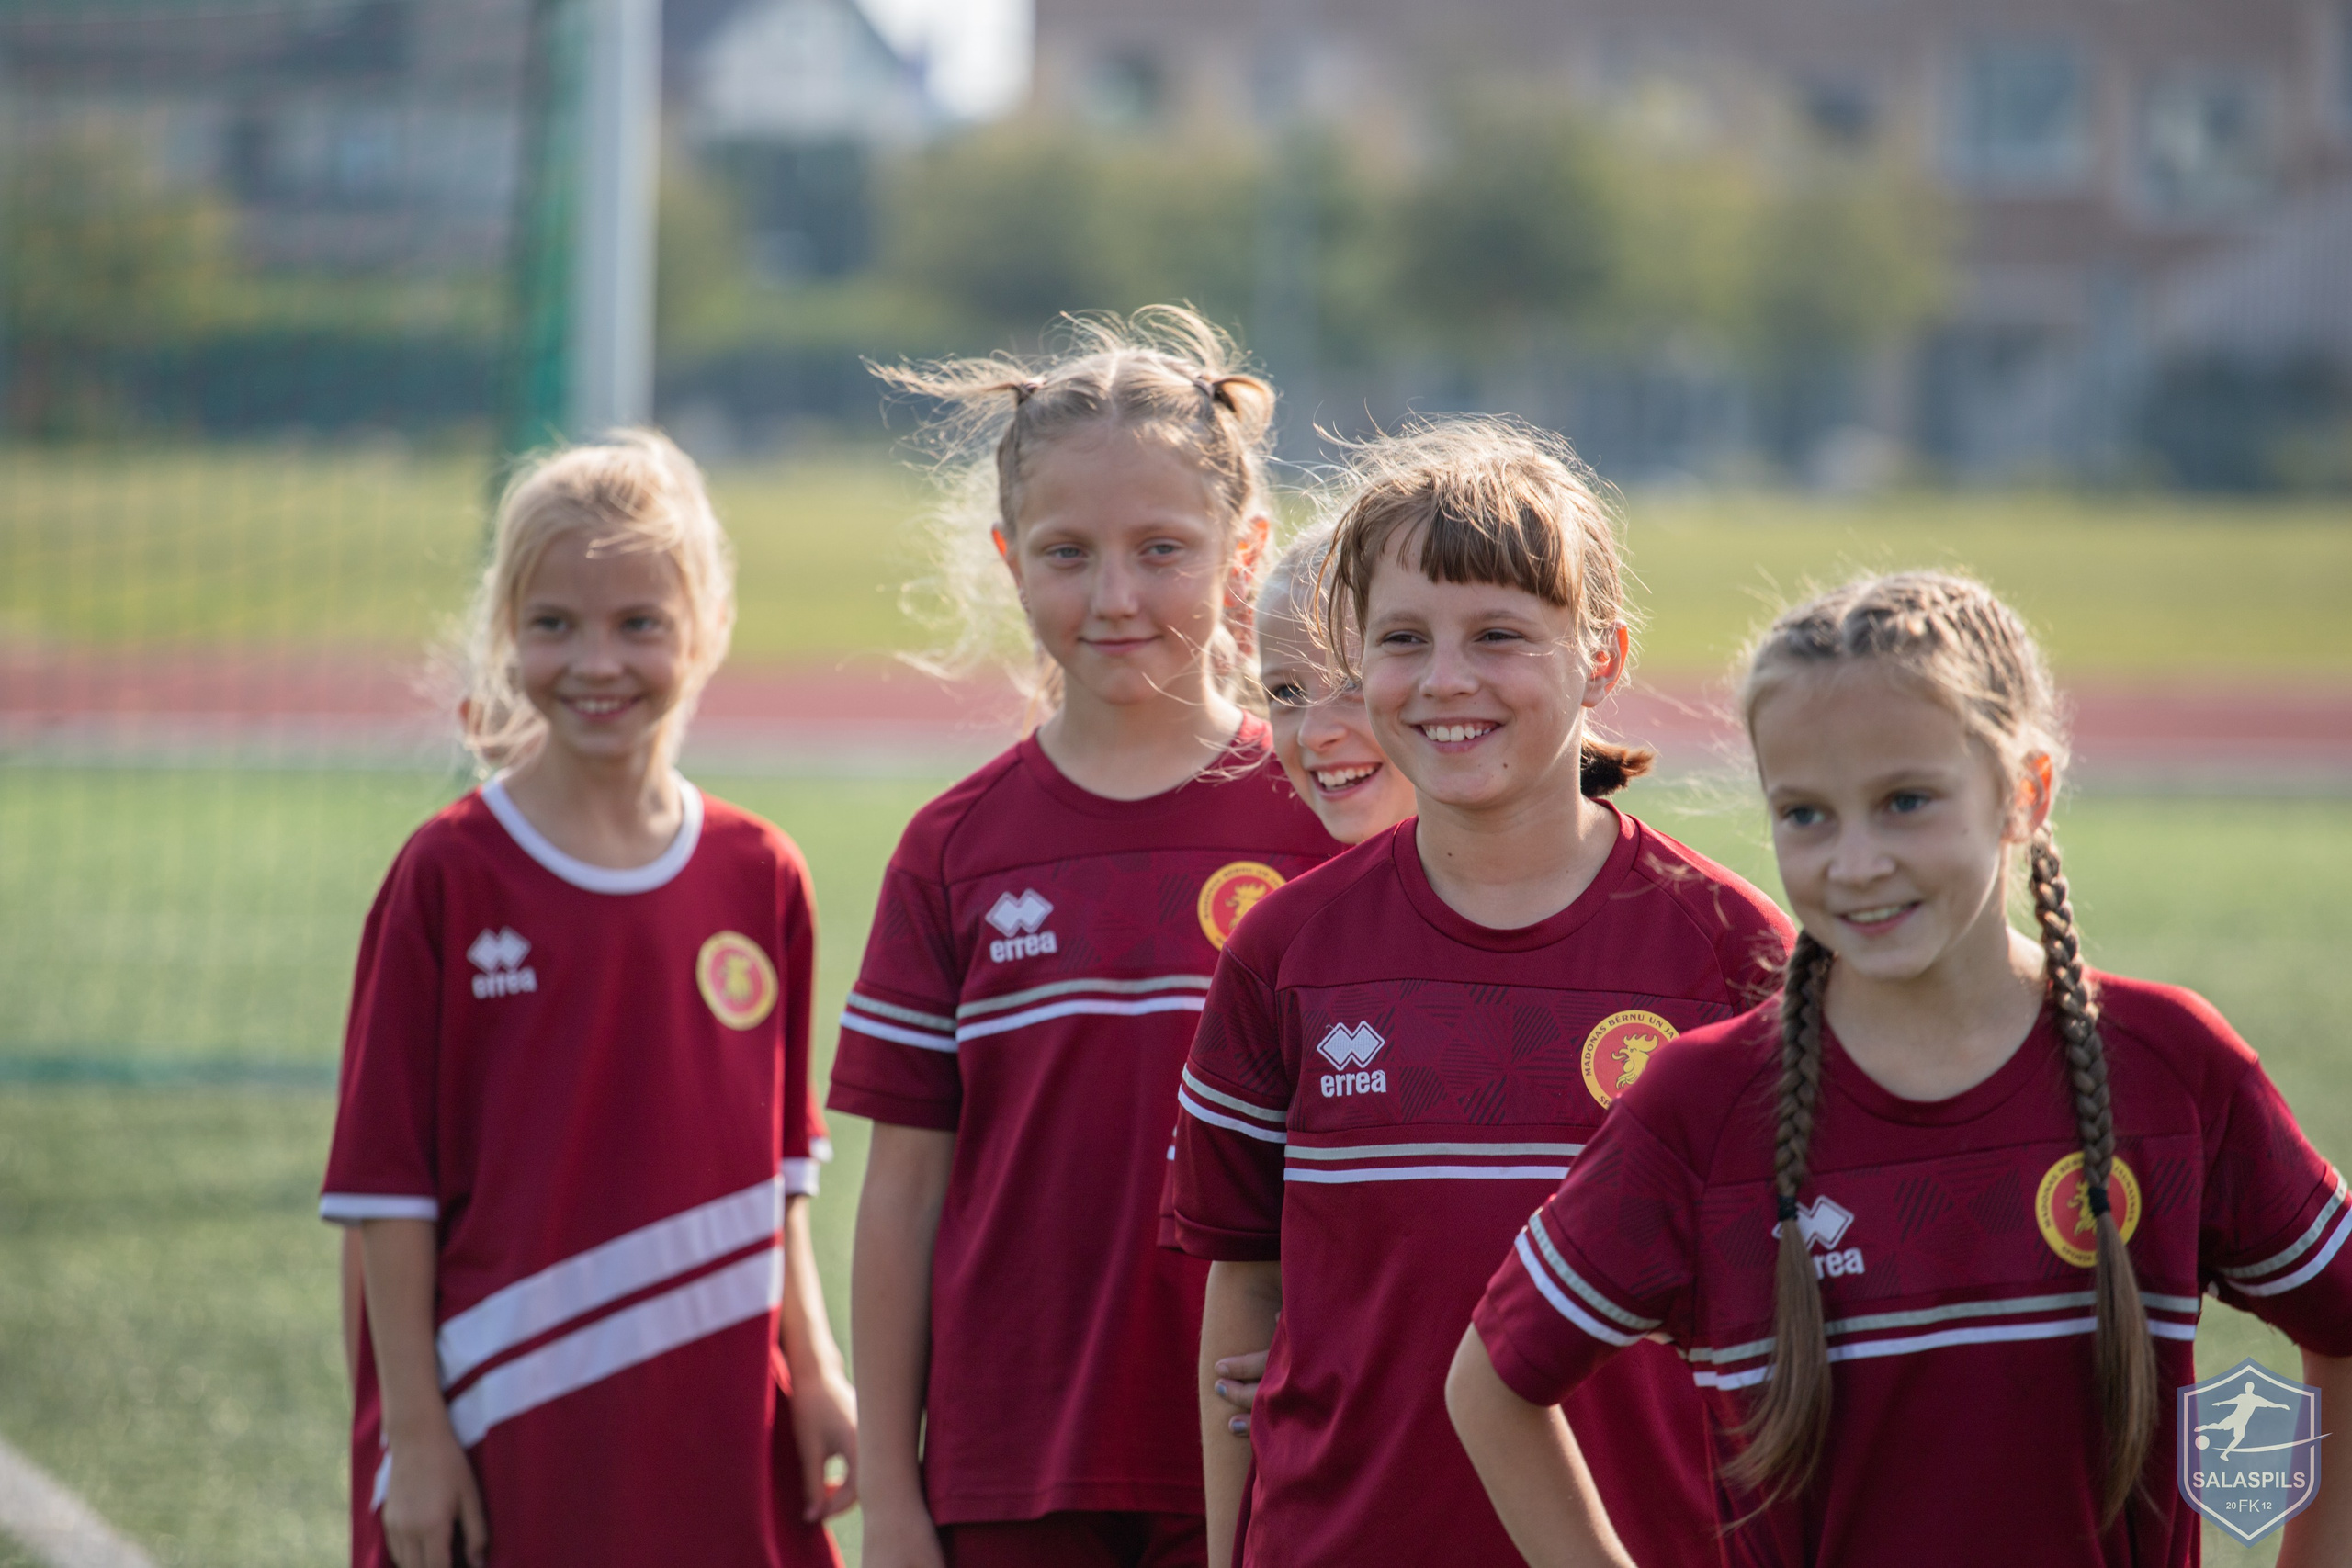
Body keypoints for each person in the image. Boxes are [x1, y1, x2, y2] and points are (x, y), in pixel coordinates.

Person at [1451, 571, 2352, 1567]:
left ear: (2026, 793)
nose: (1856, 861)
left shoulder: (2170, 1068)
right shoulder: (1699, 1110)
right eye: (1806, 814)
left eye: (1905, 801)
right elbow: (1493, 1383)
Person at [1171, 418, 1792, 1568]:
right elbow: (1244, 1287)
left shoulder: (1733, 954)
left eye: (1498, 635)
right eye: (1403, 638)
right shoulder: (1282, 953)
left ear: (1602, 657)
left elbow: (1799, 1317)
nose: (1445, 679)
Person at [832, 308, 1343, 1568]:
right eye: (1068, 553)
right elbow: (903, 1196)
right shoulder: (954, 848)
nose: (1115, 596)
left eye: (1161, 549)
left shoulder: (1324, 821)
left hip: (1266, 1453)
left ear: (1243, 551)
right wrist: (890, 1495)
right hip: (1012, 1466)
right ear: (1011, 560)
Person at [320, 433, 854, 1568]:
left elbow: (780, 1178)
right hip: (505, 1417)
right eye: (554, 623)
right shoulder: (448, 874)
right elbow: (384, 1195)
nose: (595, 662)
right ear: (506, 632)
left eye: (638, 623)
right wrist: (411, 1434)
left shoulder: (760, 874)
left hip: (717, 1413)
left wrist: (814, 1370)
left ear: (706, 628)